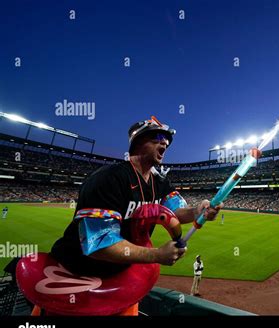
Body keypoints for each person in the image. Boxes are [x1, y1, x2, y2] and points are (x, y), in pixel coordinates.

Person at [50, 116, 222, 311]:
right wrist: (156, 254)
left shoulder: (160, 182)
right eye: (158, 137)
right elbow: (98, 244)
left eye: (167, 140)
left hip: (119, 275)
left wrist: (198, 211)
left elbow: (177, 212)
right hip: (76, 275)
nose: (165, 142)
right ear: (138, 141)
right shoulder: (109, 179)